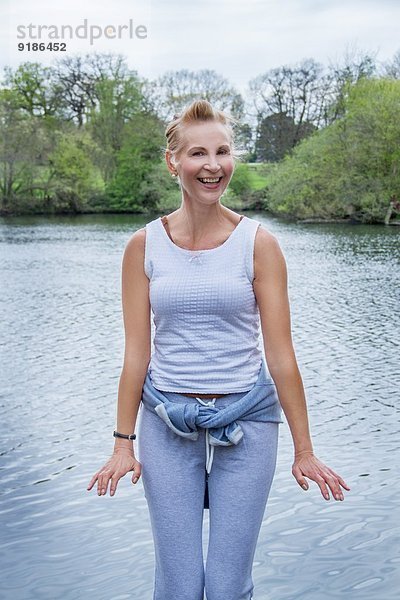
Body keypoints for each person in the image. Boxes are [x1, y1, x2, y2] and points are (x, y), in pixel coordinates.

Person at [87, 99, 350, 600]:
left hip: (247, 419)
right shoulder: (142, 246)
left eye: (223, 152)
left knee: (228, 586)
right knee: (180, 586)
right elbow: (136, 356)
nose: (212, 165)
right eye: (198, 153)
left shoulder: (259, 244)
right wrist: (123, 442)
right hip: (166, 420)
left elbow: (280, 357)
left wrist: (305, 449)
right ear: (173, 162)